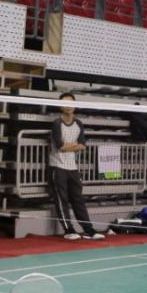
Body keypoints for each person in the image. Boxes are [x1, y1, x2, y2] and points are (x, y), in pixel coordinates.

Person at [49, 93, 104, 241]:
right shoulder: (57, 123)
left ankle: (89, 230)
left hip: (72, 167)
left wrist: (71, 146)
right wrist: (73, 146)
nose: (68, 106)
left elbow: (82, 145)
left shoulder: (78, 123)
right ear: (60, 107)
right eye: (65, 103)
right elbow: (60, 146)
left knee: (78, 199)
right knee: (62, 200)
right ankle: (69, 230)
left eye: (71, 103)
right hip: (57, 166)